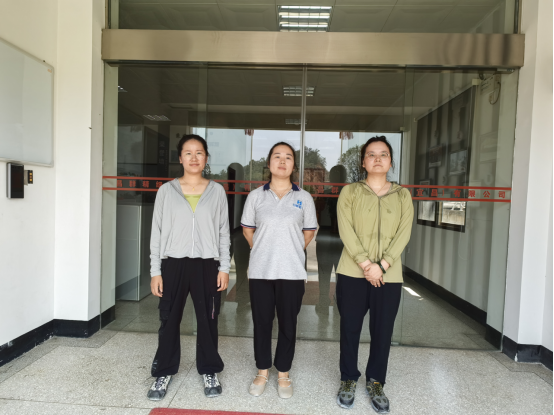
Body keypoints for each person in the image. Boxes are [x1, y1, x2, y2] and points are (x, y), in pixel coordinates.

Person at [147, 134, 230, 401]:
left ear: (206, 158)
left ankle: (209, 369)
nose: (194, 158)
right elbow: (157, 233)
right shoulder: (166, 191)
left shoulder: (217, 191)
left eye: (199, 153)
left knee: (208, 319)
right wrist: (155, 271)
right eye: (188, 153)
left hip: (207, 264)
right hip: (173, 264)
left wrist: (225, 267)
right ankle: (164, 371)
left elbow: (223, 232)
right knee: (169, 319)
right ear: (180, 158)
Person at [335, 136, 414, 413]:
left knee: (382, 331)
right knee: (350, 329)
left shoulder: (402, 195)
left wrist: (383, 265)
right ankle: (348, 378)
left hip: (389, 276)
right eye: (371, 154)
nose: (377, 159)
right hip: (352, 273)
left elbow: (404, 233)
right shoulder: (350, 192)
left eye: (383, 154)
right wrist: (366, 264)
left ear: (390, 162)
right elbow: (346, 229)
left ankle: (376, 381)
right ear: (363, 162)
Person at [241, 142, 318, 399]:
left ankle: (283, 372)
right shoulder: (255, 196)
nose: (282, 161)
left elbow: (309, 233)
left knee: (288, 323)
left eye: (288, 157)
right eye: (277, 156)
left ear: (294, 165)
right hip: (261, 271)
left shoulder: (304, 198)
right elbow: (248, 230)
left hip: (292, 272)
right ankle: (262, 370)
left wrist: (289, 250)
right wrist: (264, 249)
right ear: (269, 163)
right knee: (262, 322)